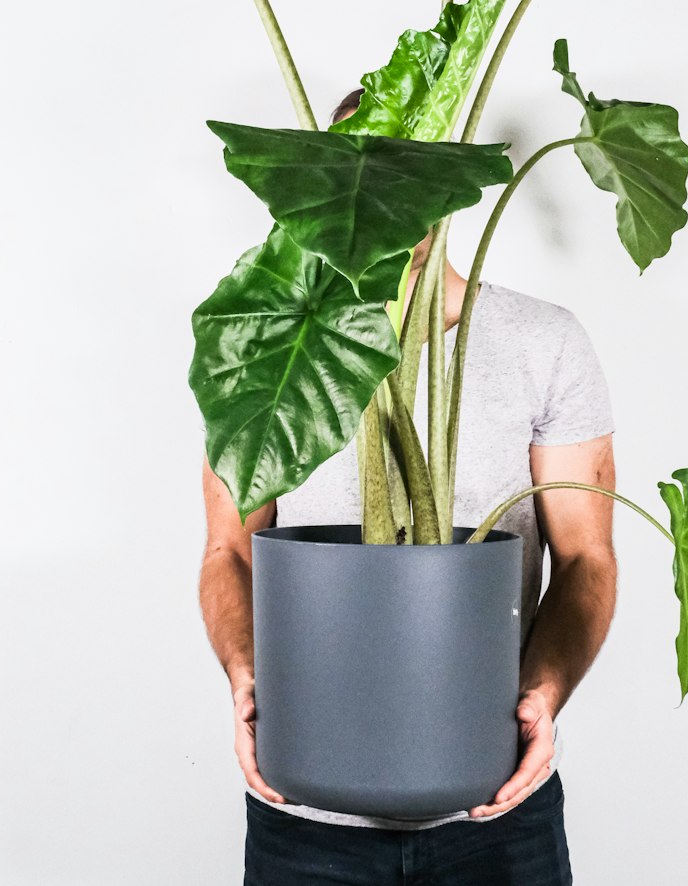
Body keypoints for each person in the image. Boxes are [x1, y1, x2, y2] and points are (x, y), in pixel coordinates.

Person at [199, 89, 617, 885]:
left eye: (404, 177)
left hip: (496, 807)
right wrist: (247, 672)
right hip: (306, 811)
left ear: (444, 177)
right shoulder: (269, 340)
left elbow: (587, 556)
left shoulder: (543, 341)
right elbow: (227, 547)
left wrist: (546, 690)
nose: (382, 203)